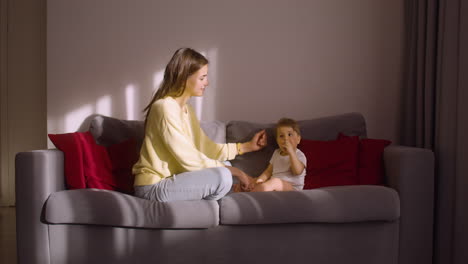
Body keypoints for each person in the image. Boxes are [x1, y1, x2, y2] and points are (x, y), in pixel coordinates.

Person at [132, 48, 267, 202]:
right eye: (202, 78)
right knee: (223, 174)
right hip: (153, 187)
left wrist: (247, 147)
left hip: (173, 181)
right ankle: (223, 197)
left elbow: (206, 148)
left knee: (225, 166)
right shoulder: (164, 107)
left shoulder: (187, 110)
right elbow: (187, 157)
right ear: (184, 78)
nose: (207, 83)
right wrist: (237, 172)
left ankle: (224, 196)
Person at [251, 118, 307, 192]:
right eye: (281, 136)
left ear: (298, 139)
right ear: (277, 141)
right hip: (276, 188)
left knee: (275, 182)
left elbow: (297, 172)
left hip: (293, 189)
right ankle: (254, 191)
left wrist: (291, 153)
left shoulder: (299, 155)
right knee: (256, 182)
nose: (286, 139)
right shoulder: (276, 153)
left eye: (290, 134)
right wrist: (260, 180)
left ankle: (253, 194)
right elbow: (268, 171)